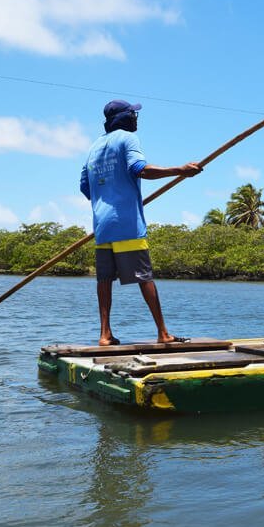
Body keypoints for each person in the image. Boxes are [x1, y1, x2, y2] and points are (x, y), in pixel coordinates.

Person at [80, 100, 202, 346]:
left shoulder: (93, 147)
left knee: (104, 279)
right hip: (126, 223)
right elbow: (140, 169)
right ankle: (163, 333)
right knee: (144, 276)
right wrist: (179, 170)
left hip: (102, 226)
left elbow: (85, 187)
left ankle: (104, 334)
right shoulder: (127, 138)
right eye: (134, 114)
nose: (137, 118)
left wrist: (109, 194)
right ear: (125, 118)